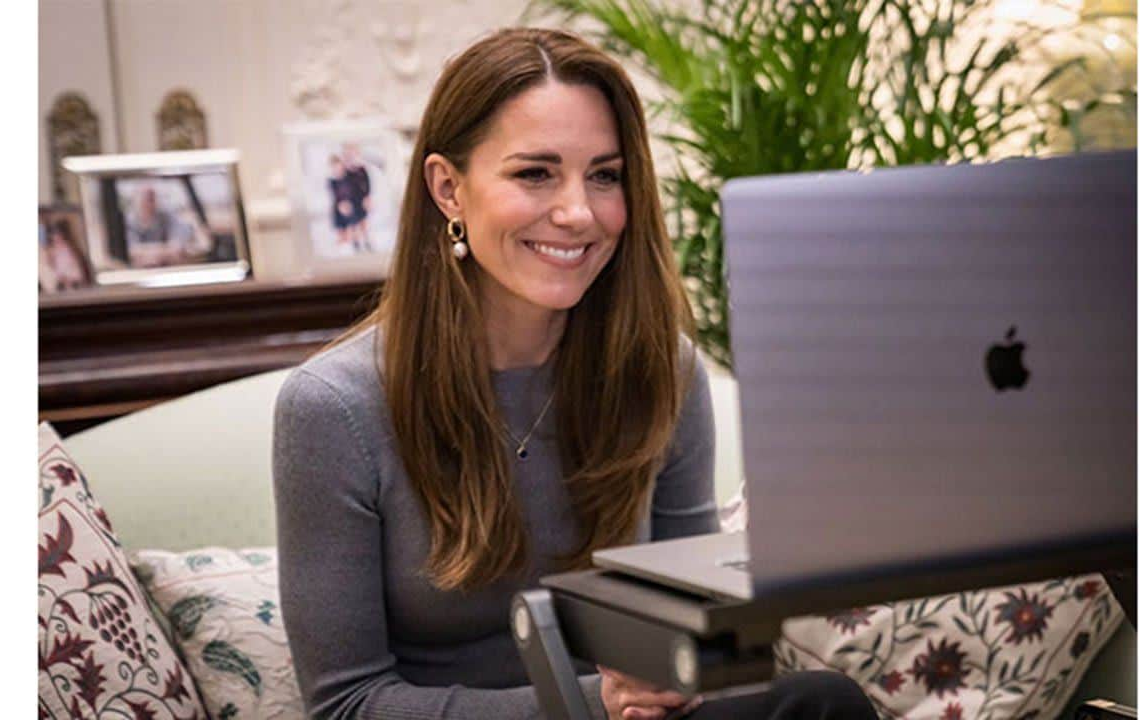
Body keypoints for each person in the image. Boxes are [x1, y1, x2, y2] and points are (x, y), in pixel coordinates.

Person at [272, 27, 877, 720]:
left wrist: (698, 667)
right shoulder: (332, 409)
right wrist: (595, 703)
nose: (578, 213)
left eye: (605, 175)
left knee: (821, 703)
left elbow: (702, 639)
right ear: (448, 188)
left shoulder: (663, 372)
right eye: (535, 173)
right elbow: (346, 705)